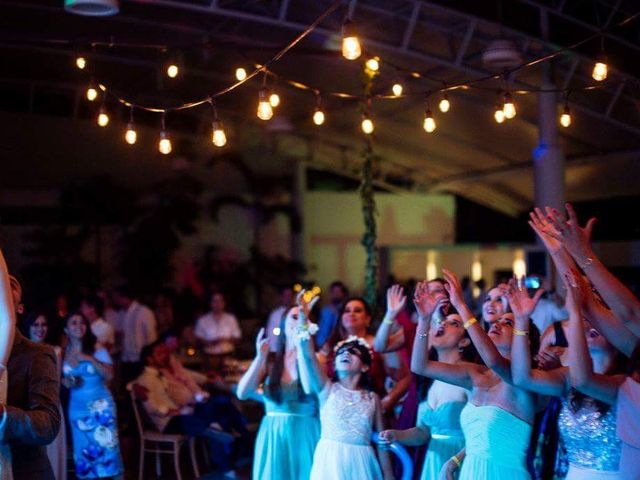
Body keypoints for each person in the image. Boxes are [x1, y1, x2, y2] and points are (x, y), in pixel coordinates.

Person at [412, 268, 539, 480]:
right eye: (497, 321)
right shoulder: (476, 374)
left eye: (508, 322)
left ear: (524, 338)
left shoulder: (523, 379)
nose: (497, 323)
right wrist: (424, 319)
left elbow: (494, 361)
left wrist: (461, 305)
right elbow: (419, 366)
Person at [508, 274, 624, 480]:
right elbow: (522, 378)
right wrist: (521, 319)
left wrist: (575, 311)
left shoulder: (625, 383)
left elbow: (585, 381)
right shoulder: (568, 377)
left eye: (599, 321)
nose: (590, 327)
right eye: (588, 321)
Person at [295, 290, 393, 480]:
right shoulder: (327, 389)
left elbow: (383, 444)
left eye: (353, 352)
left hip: (362, 463)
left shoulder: (373, 399)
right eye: (341, 353)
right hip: (329, 463)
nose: (345, 354)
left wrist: (389, 477)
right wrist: (303, 320)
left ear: (365, 366)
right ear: (334, 363)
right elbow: (308, 355)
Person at [380, 282, 472, 480]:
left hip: (462, 463)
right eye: (442, 323)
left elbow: (482, 433)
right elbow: (423, 432)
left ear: (465, 341)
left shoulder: (470, 376)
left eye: (454, 323)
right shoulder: (428, 381)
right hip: (432, 462)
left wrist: (456, 461)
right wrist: (397, 435)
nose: (444, 324)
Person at [237, 305, 320, 480]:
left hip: (304, 433)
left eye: (304, 317)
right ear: (283, 324)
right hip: (273, 434)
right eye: (294, 317)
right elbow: (242, 393)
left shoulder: (315, 357)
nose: (299, 321)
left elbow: (309, 388)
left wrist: (301, 348)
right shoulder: (272, 359)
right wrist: (259, 357)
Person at [134, 341, 237, 478]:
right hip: (164, 422)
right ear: (149, 359)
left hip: (176, 415)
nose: (164, 356)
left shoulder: (159, 376)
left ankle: (214, 430)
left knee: (206, 411)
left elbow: (170, 397)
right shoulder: (144, 380)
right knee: (194, 419)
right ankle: (217, 432)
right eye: (159, 354)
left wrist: (182, 408)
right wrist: (176, 411)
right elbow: (153, 408)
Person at [2, 253, 61, 480]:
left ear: (19, 308)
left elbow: (48, 425)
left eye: (9, 284)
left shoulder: (36, 354)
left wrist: (4, 416)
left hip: (23, 472)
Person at [325, 296, 412, 415]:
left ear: (367, 319)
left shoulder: (380, 344)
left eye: (357, 310)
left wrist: (387, 401)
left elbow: (404, 378)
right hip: (339, 414)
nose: (351, 314)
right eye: (347, 311)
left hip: (372, 414)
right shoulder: (331, 346)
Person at [62, 313, 123, 479]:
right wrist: (68, 382)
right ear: (66, 329)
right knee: (83, 449)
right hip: (77, 408)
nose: (78, 326)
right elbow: (62, 381)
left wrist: (89, 359)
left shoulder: (97, 348)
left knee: (106, 449)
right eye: (73, 323)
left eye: (82, 323)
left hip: (101, 406)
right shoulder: (62, 352)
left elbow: (110, 375)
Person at [19, 312, 67, 480]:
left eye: (43, 325)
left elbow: (59, 381)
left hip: (49, 404)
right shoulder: (20, 352)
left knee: (52, 451)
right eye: (36, 325)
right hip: (27, 408)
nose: (40, 329)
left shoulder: (56, 351)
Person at [111, 285, 157, 384]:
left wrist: (147, 356)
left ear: (123, 297)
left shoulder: (144, 312)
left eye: (116, 297)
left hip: (141, 359)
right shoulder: (121, 314)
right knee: (127, 388)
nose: (114, 300)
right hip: (126, 359)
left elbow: (152, 338)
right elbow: (119, 332)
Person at [194, 291, 241, 372]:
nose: (217, 304)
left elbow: (237, 338)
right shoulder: (203, 320)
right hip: (210, 358)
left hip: (228, 356)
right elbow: (198, 340)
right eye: (215, 301)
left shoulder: (231, 319)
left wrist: (225, 339)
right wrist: (211, 342)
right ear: (210, 303)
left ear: (224, 303)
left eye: (220, 301)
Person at [316, 281, 348, 349]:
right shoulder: (325, 310)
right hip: (322, 345)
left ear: (343, 293)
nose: (336, 294)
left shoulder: (346, 310)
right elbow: (321, 329)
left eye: (338, 292)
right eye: (334, 292)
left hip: (340, 345)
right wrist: (320, 344)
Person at [264, 284, 294, 352]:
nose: (288, 298)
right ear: (282, 297)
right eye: (286, 296)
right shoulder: (275, 315)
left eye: (290, 296)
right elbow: (271, 334)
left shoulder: (296, 312)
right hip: (278, 351)